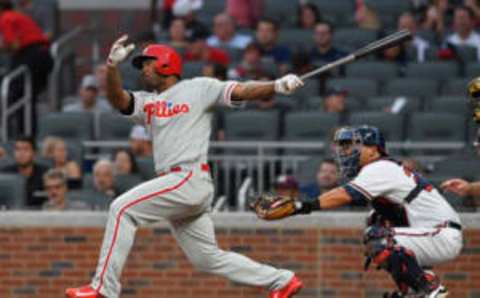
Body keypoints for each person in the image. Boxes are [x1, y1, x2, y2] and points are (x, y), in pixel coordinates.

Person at [65, 35, 305, 298]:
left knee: (121, 209)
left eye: (147, 62)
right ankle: (282, 280)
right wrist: (111, 67)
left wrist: (276, 85)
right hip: (178, 184)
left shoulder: (198, 87)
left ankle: (103, 288)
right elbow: (117, 98)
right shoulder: (148, 101)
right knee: (207, 259)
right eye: (141, 65)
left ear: (166, 62)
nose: (143, 68)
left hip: (188, 176)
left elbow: (241, 90)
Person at [255, 126, 462, 298]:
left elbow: (346, 194)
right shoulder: (383, 171)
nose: (346, 152)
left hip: (440, 233)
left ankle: (430, 288)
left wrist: (301, 206)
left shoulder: (380, 167)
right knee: (377, 223)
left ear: (373, 150)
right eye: (345, 147)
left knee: (378, 238)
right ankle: (414, 291)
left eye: (354, 146)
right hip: (432, 234)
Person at [0, 0, 53, 135]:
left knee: (13, 91)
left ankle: (16, 134)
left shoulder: (5, 18)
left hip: (31, 55)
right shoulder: (19, 16)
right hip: (44, 56)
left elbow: (15, 45)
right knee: (27, 97)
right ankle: (28, 137)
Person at [0, 136, 49, 209]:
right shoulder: (5, 173)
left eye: (26, 149)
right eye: (18, 149)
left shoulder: (46, 173)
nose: (21, 153)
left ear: (34, 153)